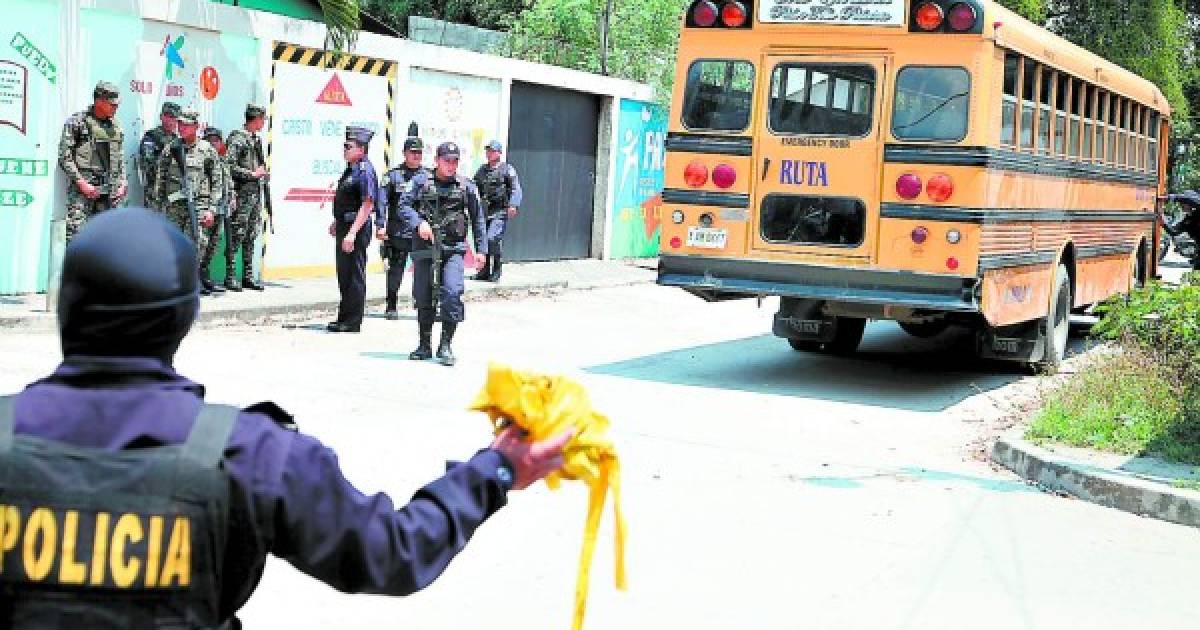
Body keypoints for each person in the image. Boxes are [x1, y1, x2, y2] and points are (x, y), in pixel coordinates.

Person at [0, 208, 571, 627]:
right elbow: (393, 553)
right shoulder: (251, 453)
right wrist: (496, 471)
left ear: (66, 307)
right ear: (182, 318)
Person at [399, 142, 487, 366]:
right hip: (425, 247)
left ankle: (445, 344)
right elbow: (403, 206)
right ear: (437, 160)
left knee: (452, 292)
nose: (451, 165)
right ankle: (424, 345)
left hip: (453, 249)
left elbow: (478, 219)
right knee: (423, 294)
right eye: (447, 160)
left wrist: (481, 251)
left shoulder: (466, 186)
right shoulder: (421, 181)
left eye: (455, 161)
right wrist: (419, 223)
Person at [152, 109, 220, 295]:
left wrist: (211, 209)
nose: (181, 127)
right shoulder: (171, 147)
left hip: (198, 205)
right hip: (174, 205)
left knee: (197, 243)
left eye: (186, 125)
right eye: (180, 124)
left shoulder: (207, 150)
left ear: (196, 127)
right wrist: (158, 208)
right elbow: (161, 178)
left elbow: (217, 181)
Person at [327, 126, 385, 333]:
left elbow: (367, 204)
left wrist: (352, 233)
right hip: (346, 224)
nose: (344, 150)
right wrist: (338, 221)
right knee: (344, 273)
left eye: (348, 146)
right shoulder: (351, 168)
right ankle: (344, 316)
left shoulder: (365, 171)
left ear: (361, 149)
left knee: (354, 274)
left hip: (356, 229)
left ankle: (352, 321)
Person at [57, 80, 127, 243]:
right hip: (84, 193)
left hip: (110, 193)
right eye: (112, 104)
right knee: (77, 239)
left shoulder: (116, 126)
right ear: (99, 101)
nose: (115, 108)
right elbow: (64, 156)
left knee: (108, 242)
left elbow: (120, 156)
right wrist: (81, 183)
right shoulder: (77, 122)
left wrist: (123, 182)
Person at [379, 130, 428, 320]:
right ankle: (391, 305)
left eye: (419, 153)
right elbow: (382, 202)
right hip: (398, 232)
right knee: (395, 270)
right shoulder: (393, 177)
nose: (416, 156)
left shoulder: (428, 177)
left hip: (419, 233)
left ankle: (421, 303)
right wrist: (380, 224)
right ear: (404, 153)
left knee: (423, 271)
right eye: (412, 152)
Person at [224, 104, 269, 292]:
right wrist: (252, 174)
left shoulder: (255, 140)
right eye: (262, 119)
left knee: (251, 235)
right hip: (241, 196)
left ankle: (247, 276)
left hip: (254, 196)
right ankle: (230, 276)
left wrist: (261, 175)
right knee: (236, 235)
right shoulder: (237, 139)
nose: (263, 122)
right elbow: (227, 166)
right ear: (256, 118)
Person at [472, 140, 522, 282]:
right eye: (487, 151)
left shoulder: (507, 169)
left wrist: (513, 205)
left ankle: (497, 269)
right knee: (482, 241)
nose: (489, 153)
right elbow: (473, 186)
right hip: (484, 211)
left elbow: (515, 188)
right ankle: (484, 272)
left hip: (499, 211)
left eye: (492, 151)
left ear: (499, 153)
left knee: (492, 238)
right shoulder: (482, 170)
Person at [200, 126, 237, 294]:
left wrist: (232, 196)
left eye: (216, 140)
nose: (213, 143)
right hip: (207, 208)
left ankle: (205, 277)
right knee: (202, 243)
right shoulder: (203, 159)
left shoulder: (222, 160)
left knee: (213, 244)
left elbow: (228, 181)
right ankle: (197, 278)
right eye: (209, 140)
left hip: (221, 207)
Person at [138, 102, 181, 207]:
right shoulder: (151, 137)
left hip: (174, 194)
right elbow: (147, 163)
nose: (170, 121)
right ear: (161, 116)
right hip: (155, 192)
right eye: (167, 116)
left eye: (173, 118)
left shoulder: (178, 140)